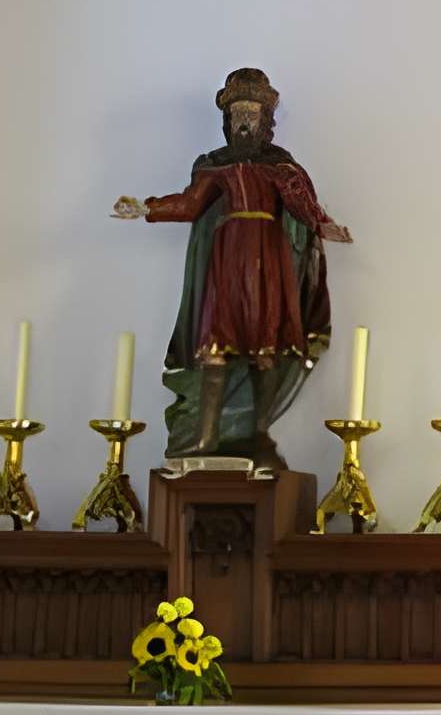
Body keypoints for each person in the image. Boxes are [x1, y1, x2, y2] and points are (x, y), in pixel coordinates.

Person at [115, 68, 353, 463]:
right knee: (214, 345)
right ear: (227, 122)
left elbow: (301, 205)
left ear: (265, 122)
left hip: (266, 263)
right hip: (225, 261)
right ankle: (205, 436)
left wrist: (324, 226)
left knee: (264, 345)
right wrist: (146, 208)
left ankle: (258, 434)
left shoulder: (280, 166)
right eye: (238, 116)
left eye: (251, 116)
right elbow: (191, 204)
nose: (244, 124)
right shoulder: (215, 166)